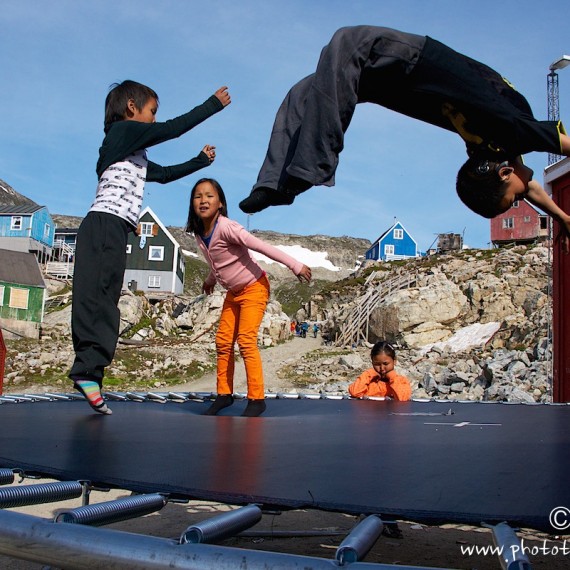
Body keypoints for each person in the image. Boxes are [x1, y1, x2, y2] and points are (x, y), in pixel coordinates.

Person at [239, 25, 570, 237]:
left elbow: (530, 190)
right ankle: (304, 171)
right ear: (504, 174)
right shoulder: (515, 130)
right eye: (514, 198)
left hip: (401, 90)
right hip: (418, 63)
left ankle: (277, 184)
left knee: (305, 91)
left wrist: (561, 218)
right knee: (346, 41)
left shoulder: (491, 155)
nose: (524, 190)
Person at [69, 81, 231, 415]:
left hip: (117, 230)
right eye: (152, 112)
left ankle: (91, 374)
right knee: (94, 299)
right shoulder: (121, 133)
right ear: (132, 107)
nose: (156, 120)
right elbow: (173, 129)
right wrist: (212, 104)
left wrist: (199, 162)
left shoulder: (135, 155)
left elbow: (167, 174)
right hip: (102, 224)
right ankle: (86, 372)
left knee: (107, 301)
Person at [186, 178, 312, 417]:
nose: (203, 200)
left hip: (254, 287)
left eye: (209, 195)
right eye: (198, 196)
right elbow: (218, 263)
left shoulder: (228, 227)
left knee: (245, 341)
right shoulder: (199, 235)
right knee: (223, 342)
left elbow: (261, 247)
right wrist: (210, 281)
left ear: (220, 203)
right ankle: (224, 395)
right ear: (192, 203)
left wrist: (295, 265)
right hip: (233, 293)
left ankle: (256, 399)